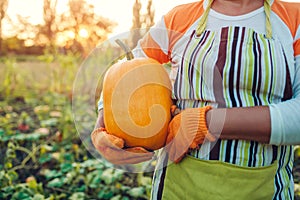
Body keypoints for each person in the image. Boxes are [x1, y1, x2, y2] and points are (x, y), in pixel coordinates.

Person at [91, 0, 300, 199]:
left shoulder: (294, 20)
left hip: (264, 190)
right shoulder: (178, 19)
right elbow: (126, 73)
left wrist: (206, 122)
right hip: (178, 188)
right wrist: (103, 127)